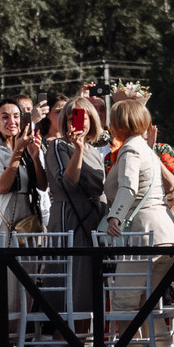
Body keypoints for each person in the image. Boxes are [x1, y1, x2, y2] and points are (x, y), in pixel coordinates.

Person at [102, 96, 174, 245]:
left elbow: (128, 187)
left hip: (145, 233)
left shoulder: (130, 149)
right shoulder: (144, 148)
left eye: (112, 121)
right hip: (163, 232)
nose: (109, 125)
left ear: (121, 124)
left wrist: (115, 217)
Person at [42, 98, 107, 243]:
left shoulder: (95, 152)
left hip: (95, 219)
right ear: (65, 123)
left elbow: (101, 191)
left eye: (83, 118)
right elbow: (67, 184)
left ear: (91, 120)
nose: (78, 123)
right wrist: (78, 150)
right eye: (71, 119)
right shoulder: (58, 145)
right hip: (70, 217)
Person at [0, 99, 42, 239]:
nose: (12, 121)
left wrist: (35, 157)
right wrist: (18, 151)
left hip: (27, 223)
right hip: (3, 223)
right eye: (5, 117)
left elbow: (42, 186)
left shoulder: (27, 149)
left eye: (16, 116)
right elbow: (2, 187)